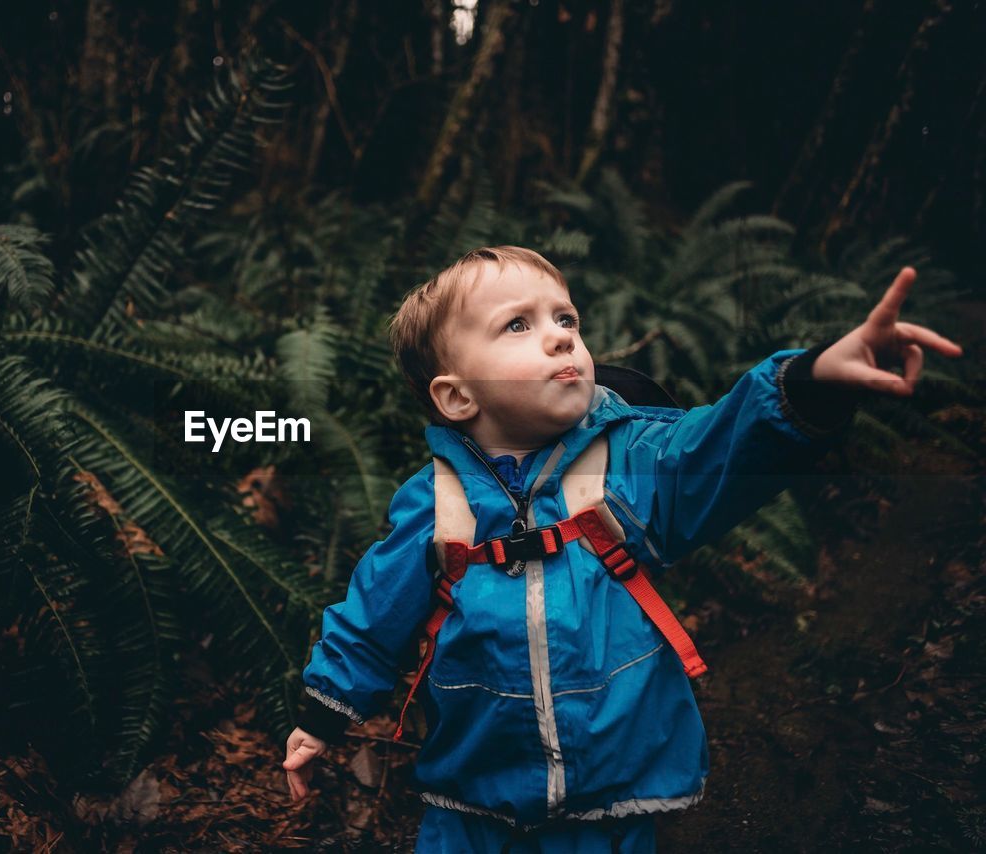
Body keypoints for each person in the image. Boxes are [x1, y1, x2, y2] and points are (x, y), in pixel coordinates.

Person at [280, 246, 962, 852]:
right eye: (519, 325)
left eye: (565, 319)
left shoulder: (629, 463)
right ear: (457, 396)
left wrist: (814, 380)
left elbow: (719, 446)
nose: (559, 339)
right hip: (471, 803)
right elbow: (375, 615)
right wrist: (323, 714)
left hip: (612, 799)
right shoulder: (436, 502)